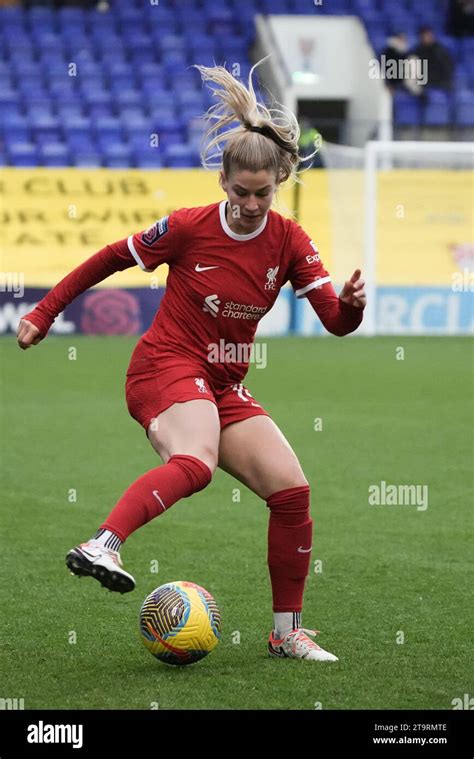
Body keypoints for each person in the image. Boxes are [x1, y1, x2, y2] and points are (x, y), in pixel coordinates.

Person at [16, 60, 366, 662]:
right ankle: (104, 543)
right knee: (196, 462)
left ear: (279, 181)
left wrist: (354, 309)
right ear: (223, 182)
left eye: (264, 193)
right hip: (165, 367)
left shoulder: (290, 241)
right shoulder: (186, 228)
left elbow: (335, 322)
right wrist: (44, 313)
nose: (252, 203)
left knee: (292, 493)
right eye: (241, 192)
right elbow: (108, 259)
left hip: (221, 383)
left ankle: (286, 634)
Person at [412, 25, 454, 90]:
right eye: (424, 35)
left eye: (429, 35)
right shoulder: (417, 51)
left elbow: (448, 67)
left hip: (441, 82)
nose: (427, 37)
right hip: (425, 83)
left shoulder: (440, 50)